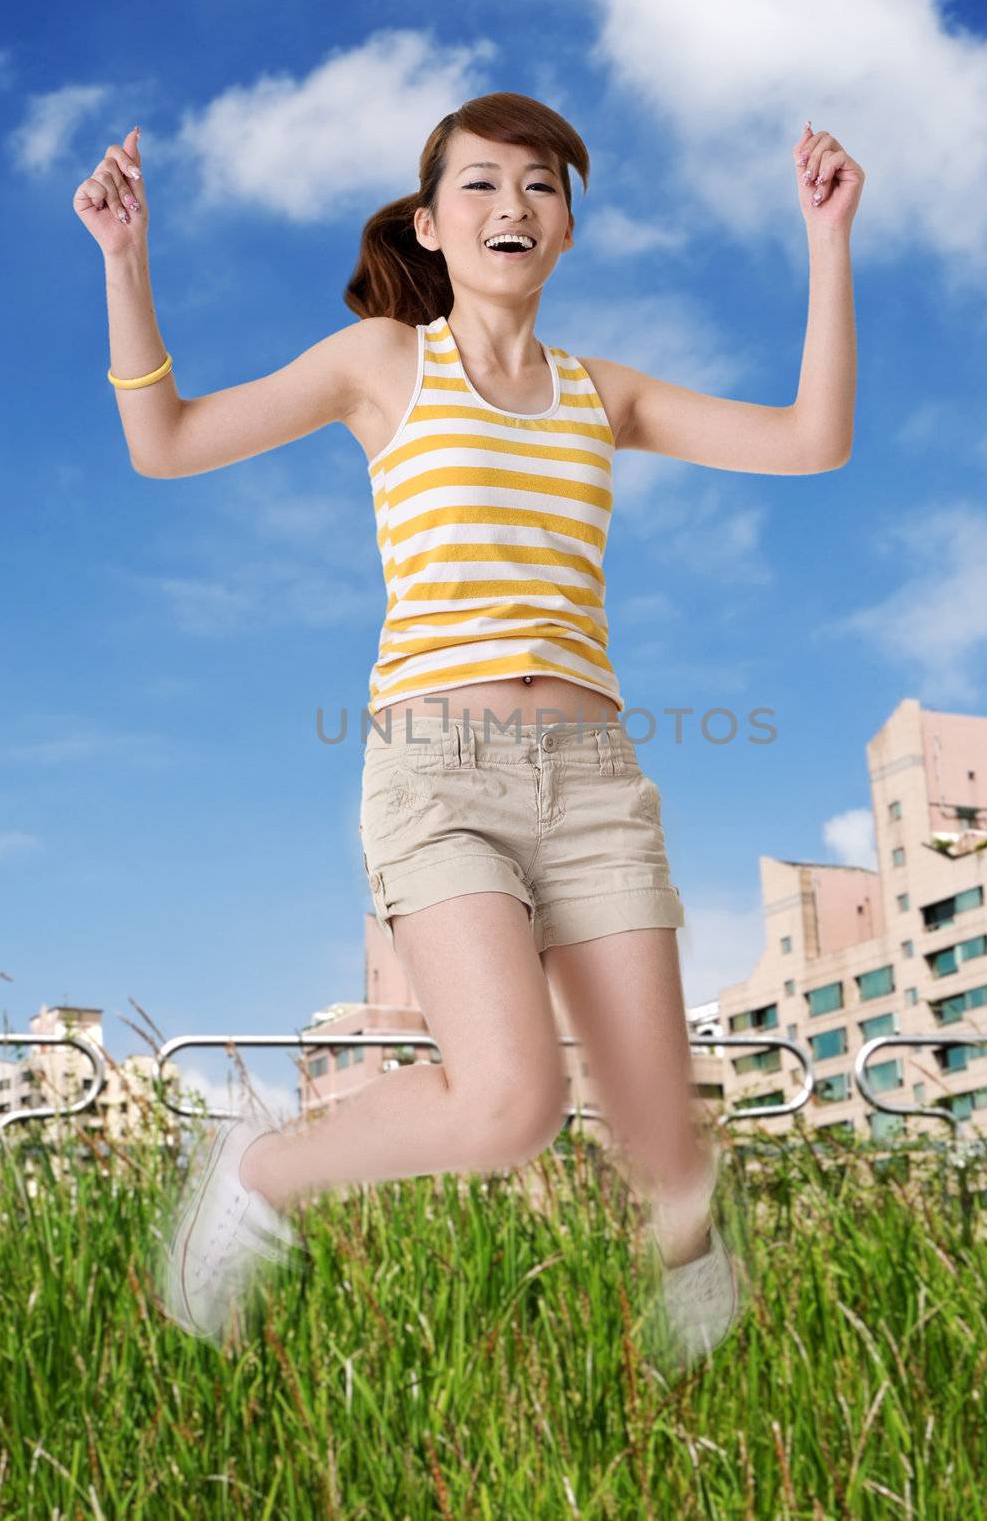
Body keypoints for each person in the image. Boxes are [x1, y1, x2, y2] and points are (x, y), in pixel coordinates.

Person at [74, 93, 861, 1367]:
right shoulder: (384, 363)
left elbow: (813, 440)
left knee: (667, 1142)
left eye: (543, 186)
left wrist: (827, 243)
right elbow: (165, 445)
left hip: (595, 780)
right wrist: (126, 263)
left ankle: (700, 1347)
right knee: (511, 1103)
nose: (515, 205)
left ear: (566, 230)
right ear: (432, 226)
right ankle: (261, 1171)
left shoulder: (604, 393)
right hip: (438, 774)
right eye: (483, 184)